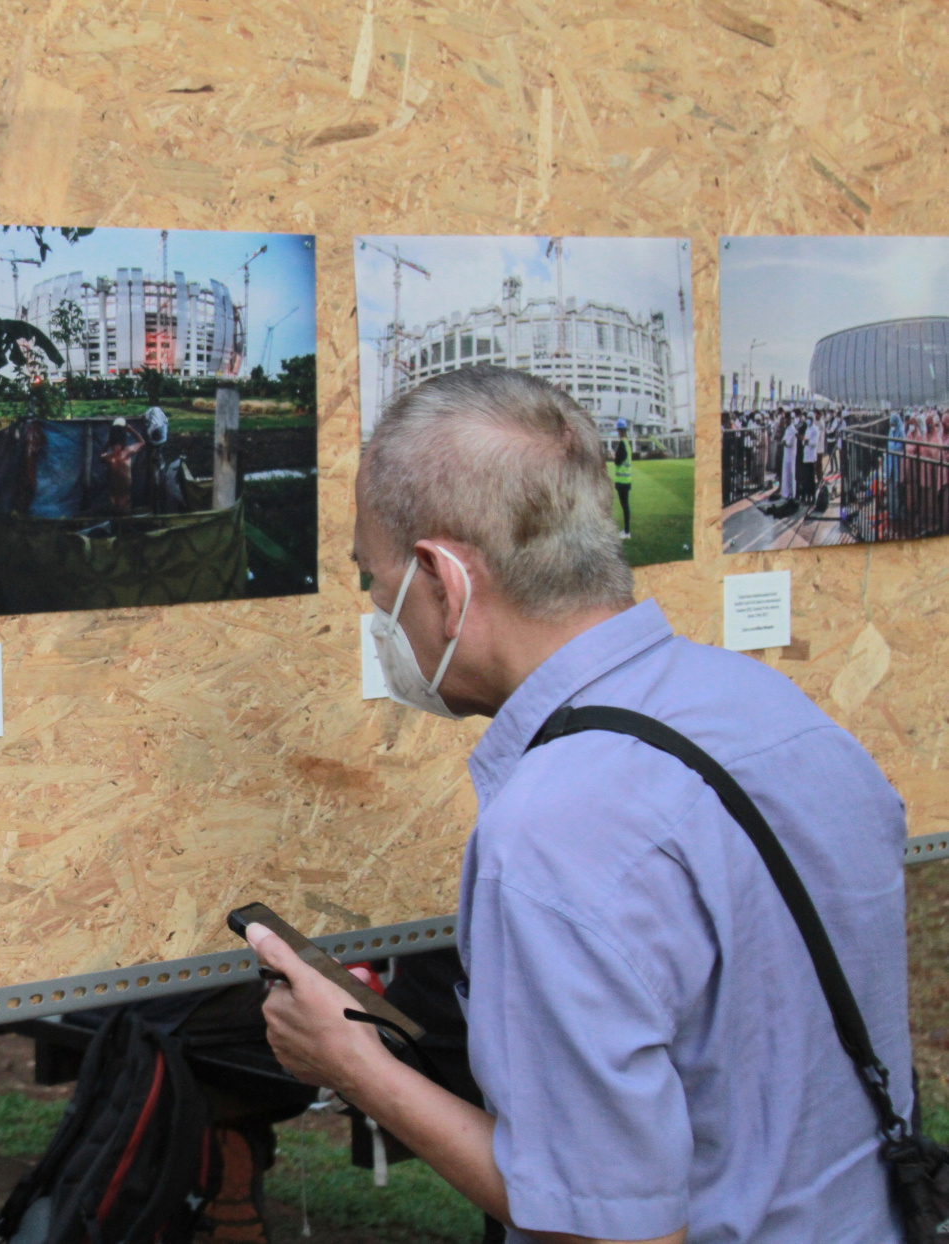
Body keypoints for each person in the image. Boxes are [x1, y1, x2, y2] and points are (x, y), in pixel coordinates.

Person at [252, 366, 911, 1244]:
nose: (381, 619)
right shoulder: (771, 710)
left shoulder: (552, 834)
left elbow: (607, 1230)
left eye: (377, 587)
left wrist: (355, 1068)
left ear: (445, 582)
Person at [98, 417, 146, 516]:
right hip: (125, 501)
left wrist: (109, 441)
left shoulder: (107, 457)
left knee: (114, 526)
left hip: (112, 501)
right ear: (124, 438)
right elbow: (142, 442)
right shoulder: (128, 452)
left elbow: (101, 453)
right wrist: (131, 430)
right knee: (126, 526)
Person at [610, 418, 633, 539]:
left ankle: (627, 532)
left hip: (622, 481)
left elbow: (618, 462)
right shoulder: (627, 443)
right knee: (625, 505)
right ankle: (626, 530)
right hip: (627, 480)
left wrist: (613, 455)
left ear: (619, 430)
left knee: (625, 506)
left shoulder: (622, 444)